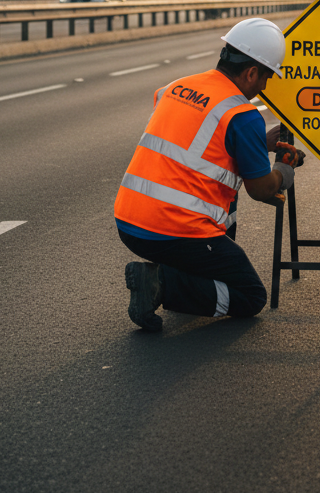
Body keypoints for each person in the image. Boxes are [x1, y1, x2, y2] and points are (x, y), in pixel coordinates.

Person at [114, 17, 305, 331]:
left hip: (129, 221)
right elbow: (260, 190)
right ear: (252, 72)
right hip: (172, 232)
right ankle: (160, 284)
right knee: (250, 296)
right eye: (266, 77)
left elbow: (199, 141)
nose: (265, 87)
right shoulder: (242, 115)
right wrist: (284, 170)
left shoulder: (176, 86)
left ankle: (176, 274)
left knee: (225, 203)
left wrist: (257, 144)